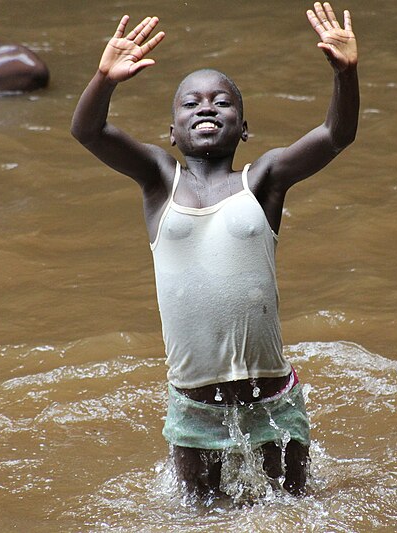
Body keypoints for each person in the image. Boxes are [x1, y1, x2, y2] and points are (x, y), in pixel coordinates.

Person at [71, 2, 358, 497]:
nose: (206, 107)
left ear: (243, 129)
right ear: (172, 132)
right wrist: (105, 78)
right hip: (193, 404)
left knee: (293, 512)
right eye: (191, 103)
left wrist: (346, 74)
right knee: (199, 517)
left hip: (271, 396)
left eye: (222, 102)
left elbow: (337, 135)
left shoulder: (262, 180)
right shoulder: (160, 179)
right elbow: (87, 132)